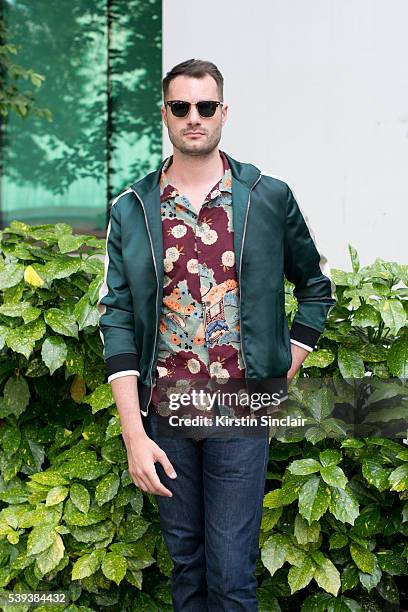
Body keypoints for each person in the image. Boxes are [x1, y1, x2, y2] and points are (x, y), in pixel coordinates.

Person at [97, 58, 336, 611]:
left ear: (223, 112)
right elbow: (117, 320)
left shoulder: (267, 197)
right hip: (167, 411)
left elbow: (315, 287)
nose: (194, 117)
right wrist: (135, 434)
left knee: (230, 575)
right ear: (165, 115)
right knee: (187, 569)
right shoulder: (132, 210)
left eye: (206, 107)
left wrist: (286, 362)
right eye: (181, 107)